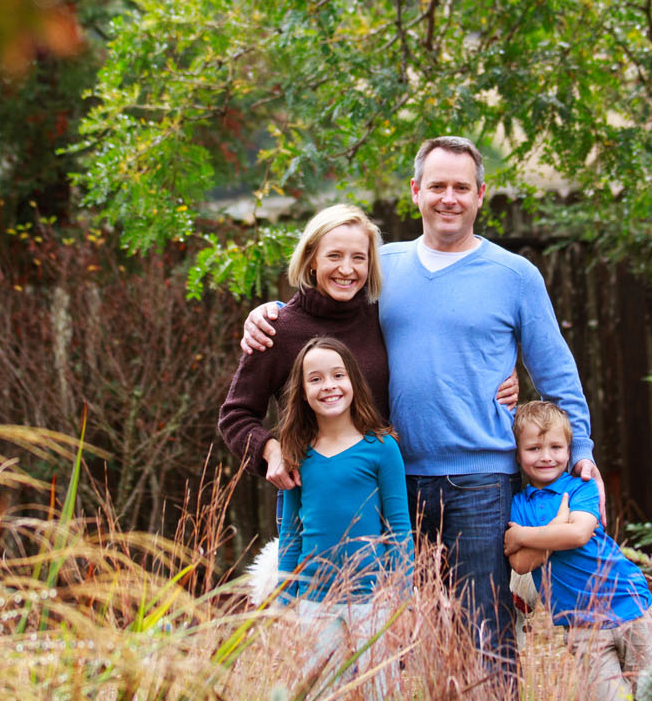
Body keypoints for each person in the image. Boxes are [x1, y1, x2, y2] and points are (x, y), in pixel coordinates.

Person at [243, 136, 601, 683]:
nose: (449, 198)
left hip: (481, 478)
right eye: (437, 186)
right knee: (396, 636)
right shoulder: (382, 268)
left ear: (482, 195)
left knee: (484, 628)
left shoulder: (515, 275)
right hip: (391, 479)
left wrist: (582, 451)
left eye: (462, 187)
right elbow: (325, 311)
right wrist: (269, 312)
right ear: (416, 192)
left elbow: (556, 370)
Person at [220, 201, 518, 489]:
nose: (347, 269)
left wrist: (499, 371)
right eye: (334, 256)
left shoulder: (384, 314)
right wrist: (270, 451)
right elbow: (235, 415)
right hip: (312, 496)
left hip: (386, 493)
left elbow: (437, 347)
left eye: (358, 258)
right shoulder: (277, 329)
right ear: (312, 259)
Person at [502, 401, 652, 701]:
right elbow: (519, 564)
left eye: (556, 447)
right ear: (518, 454)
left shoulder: (579, 487)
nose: (546, 456)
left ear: (569, 449)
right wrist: (556, 528)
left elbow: (578, 534)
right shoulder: (519, 503)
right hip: (581, 626)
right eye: (533, 448)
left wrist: (527, 536)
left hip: (628, 606)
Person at [271, 336, 412, 675]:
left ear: (353, 382)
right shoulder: (298, 452)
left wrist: (401, 599)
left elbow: (399, 528)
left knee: (382, 700)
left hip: (372, 599)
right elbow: (291, 532)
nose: (328, 386)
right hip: (314, 600)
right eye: (315, 379)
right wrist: (284, 600)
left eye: (338, 375)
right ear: (303, 392)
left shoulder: (381, 447)